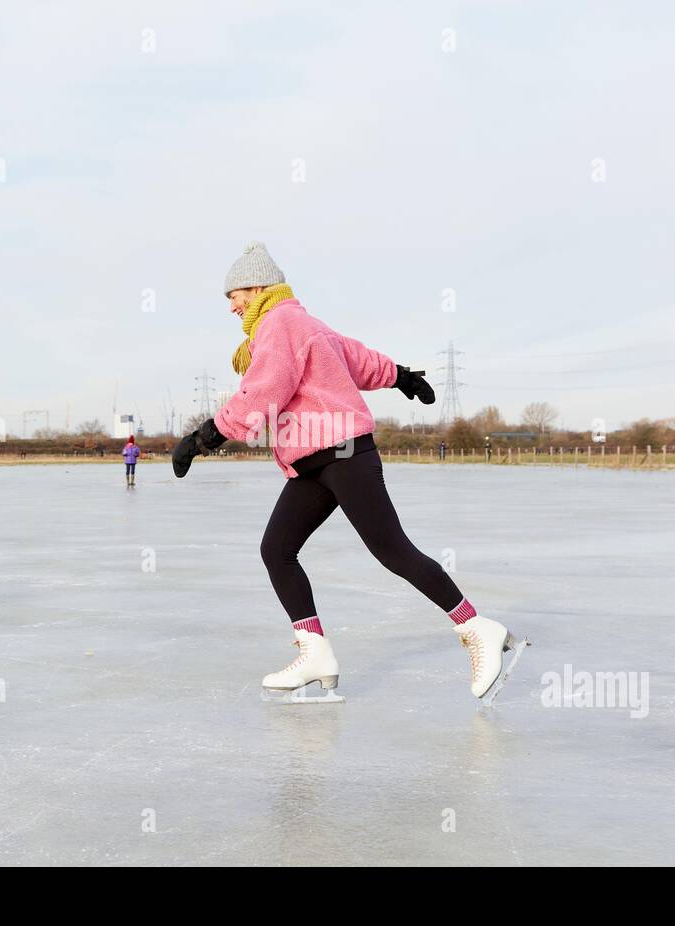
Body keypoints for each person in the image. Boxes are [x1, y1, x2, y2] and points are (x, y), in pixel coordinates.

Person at [172, 242, 519, 704]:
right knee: (277, 549)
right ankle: (315, 652)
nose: (231, 307)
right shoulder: (301, 324)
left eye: (233, 296)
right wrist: (400, 375)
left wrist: (205, 437)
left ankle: (478, 628)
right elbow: (353, 357)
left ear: (256, 288)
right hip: (312, 464)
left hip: (343, 454)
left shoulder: (281, 324)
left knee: (392, 550)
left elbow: (262, 393)